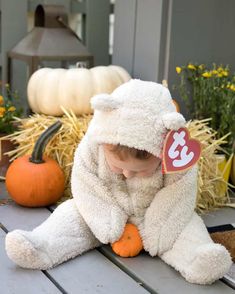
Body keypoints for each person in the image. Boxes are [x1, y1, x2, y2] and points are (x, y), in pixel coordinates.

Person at [5, 79, 231, 284]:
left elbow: (179, 194)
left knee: (188, 227)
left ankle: (198, 259)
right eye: (118, 166)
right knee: (71, 215)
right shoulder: (96, 144)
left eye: (139, 171)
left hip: (159, 219)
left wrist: (156, 231)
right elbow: (85, 181)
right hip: (104, 212)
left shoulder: (175, 158)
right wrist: (107, 221)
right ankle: (41, 245)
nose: (126, 174)